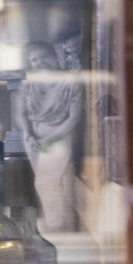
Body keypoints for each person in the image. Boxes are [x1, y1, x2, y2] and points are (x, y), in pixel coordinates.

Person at [17, 41, 85, 232]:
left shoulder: (70, 82)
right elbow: (20, 113)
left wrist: (49, 139)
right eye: (34, 60)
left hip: (58, 140)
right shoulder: (29, 83)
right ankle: (70, 225)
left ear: (54, 56)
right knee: (60, 182)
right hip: (34, 141)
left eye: (43, 57)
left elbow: (73, 118)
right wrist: (27, 133)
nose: (39, 62)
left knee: (46, 182)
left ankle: (55, 227)